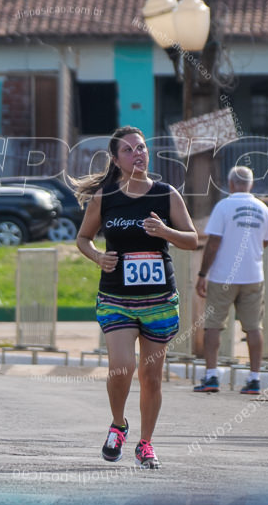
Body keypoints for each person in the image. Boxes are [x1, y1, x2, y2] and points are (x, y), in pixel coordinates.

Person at [74, 126, 198, 469]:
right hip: (116, 296)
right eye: (128, 150)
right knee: (121, 367)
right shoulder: (105, 197)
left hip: (159, 299)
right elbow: (83, 238)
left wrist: (165, 232)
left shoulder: (165, 194)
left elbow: (191, 239)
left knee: (151, 376)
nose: (138, 154)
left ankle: (146, 443)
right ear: (116, 159)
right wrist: (98, 256)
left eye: (141, 148)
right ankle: (118, 424)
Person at [193, 166, 268, 394]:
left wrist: (202, 274)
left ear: (230, 184)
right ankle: (255, 378)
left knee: (213, 326)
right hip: (253, 276)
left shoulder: (224, 207)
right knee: (253, 328)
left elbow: (213, 243)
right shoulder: (262, 208)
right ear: (251, 184)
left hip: (223, 276)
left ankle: (211, 376)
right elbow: (267, 241)